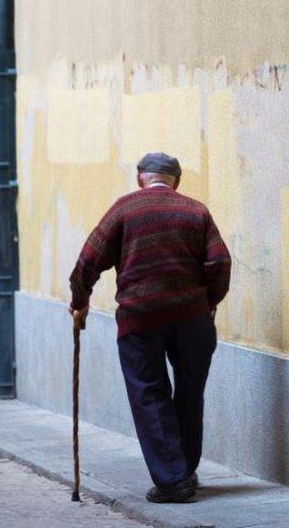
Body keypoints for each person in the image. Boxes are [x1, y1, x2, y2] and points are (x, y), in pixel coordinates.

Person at [68, 152, 231, 503]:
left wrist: (79, 299)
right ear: (176, 180)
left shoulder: (124, 210)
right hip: (192, 317)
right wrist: (208, 302)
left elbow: (88, 259)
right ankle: (183, 470)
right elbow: (219, 261)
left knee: (149, 393)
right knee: (190, 392)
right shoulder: (196, 211)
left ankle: (173, 480)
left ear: (140, 176)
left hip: (140, 318)